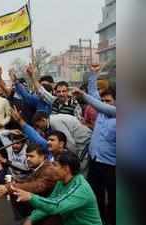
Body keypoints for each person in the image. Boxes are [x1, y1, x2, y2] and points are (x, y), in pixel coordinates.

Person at [72, 64, 116, 225]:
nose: (104, 103)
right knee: (95, 194)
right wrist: (92, 75)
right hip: (95, 160)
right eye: (103, 100)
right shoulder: (103, 114)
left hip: (112, 165)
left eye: (108, 101)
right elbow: (94, 95)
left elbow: (95, 102)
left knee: (113, 199)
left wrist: (83, 94)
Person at [12, 151, 102, 225]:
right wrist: (31, 219)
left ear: (66, 169)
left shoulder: (80, 189)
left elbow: (55, 206)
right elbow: (51, 201)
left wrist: (31, 196)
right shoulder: (61, 180)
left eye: (55, 165)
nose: (51, 168)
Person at [0, 143, 59, 222]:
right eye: (27, 156)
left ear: (42, 156)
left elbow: (36, 186)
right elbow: (27, 181)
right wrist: (10, 185)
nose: (28, 159)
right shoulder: (40, 167)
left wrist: (9, 187)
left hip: (46, 212)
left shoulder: (48, 169)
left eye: (31, 156)